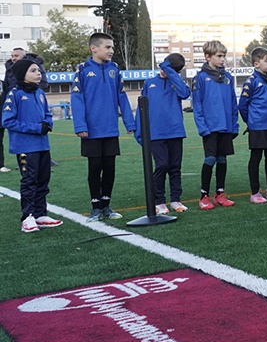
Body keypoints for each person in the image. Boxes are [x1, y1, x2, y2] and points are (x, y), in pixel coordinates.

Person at [72, 32, 136, 221]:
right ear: (94, 48)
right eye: (108, 47)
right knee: (95, 168)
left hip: (110, 129)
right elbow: (77, 99)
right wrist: (80, 126)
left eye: (112, 47)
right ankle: (95, 207)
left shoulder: (114, 69)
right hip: (91, 130)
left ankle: (107, 205)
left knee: (109, 168)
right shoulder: (83, 69)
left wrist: (129, 122)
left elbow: (122, 96)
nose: (112, 51)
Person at [4, 59, 60, 233]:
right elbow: (7, 121)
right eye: (34, 70)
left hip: (43, 145)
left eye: (39, 70)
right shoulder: (14, 94)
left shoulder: (40, 93)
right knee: (30, 181)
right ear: (22, 74)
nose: (39, 73)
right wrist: (37, 128)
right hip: (25, 147)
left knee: (43, 179)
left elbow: (47, 113)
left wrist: (48, 123)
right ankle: (27, 217)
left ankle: (40, 214)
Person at [135, 53, 191, 215]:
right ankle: (159, 201)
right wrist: (140, 131)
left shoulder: (178, 83)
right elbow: (142, 107)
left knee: (175, 167)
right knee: (161, 165)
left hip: (175, 131)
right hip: (156, 134)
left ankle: (175, 199)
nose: (165, 72)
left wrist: (172, 74)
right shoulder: (150, 83)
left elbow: (184, 94)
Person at [192, 40, 238, 210]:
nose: (222, 59)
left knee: (222, 159)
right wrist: (203, 127)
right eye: (219, 56)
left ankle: (220, 193)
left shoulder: (228, 78)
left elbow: (233, 103)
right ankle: (204, 196)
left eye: (223, 56)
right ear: (207, 57)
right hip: (210, 128)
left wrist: (234, 125)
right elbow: (197, 105)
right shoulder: (200, 78)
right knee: (210, 159)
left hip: (226, 126)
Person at [239, 47, 267, 203]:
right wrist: (250, 121)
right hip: (258, 127)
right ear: (256, 64)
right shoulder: (251, 81)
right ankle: (255, 192)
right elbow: (242, 106)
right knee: (256, 158)